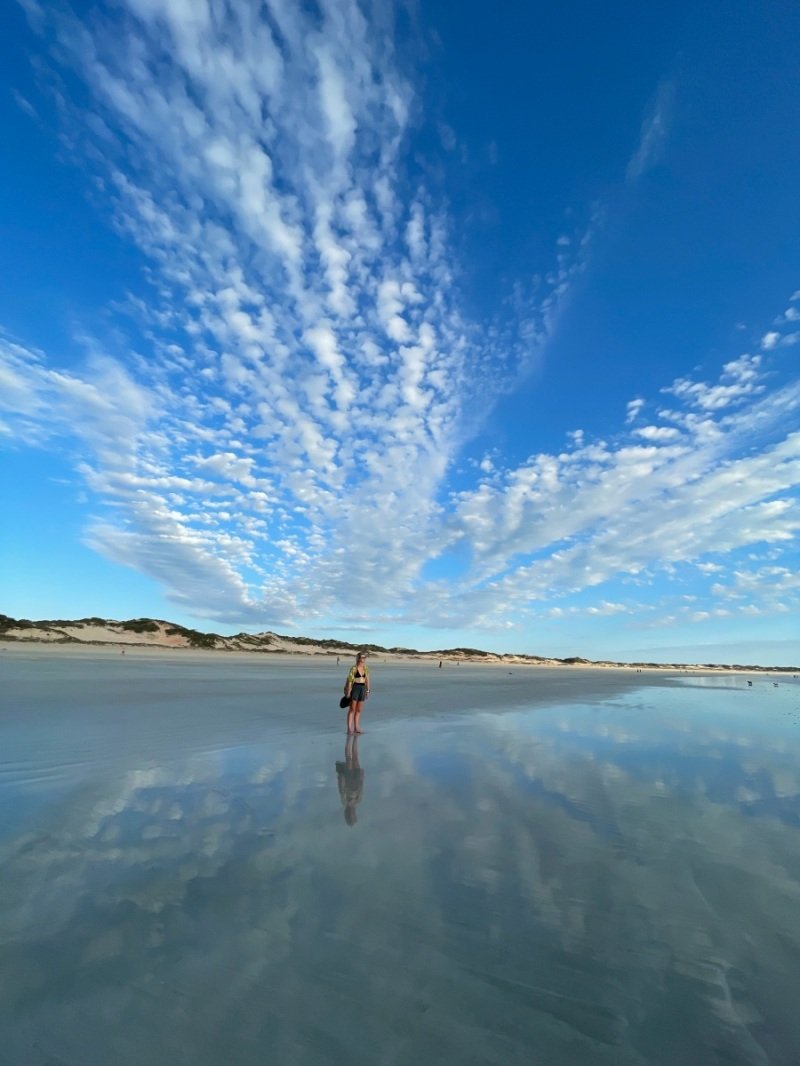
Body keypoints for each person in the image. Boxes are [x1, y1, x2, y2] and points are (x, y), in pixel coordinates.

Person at [335, 734, 365, 826]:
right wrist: (362, 776)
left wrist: (341, 777)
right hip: (355, 780)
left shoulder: (345, 802)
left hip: (349, 780)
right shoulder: (358, 801)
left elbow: (341, 788)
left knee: (349, 758)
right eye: (354, 815)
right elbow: (361, 788)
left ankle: (350, 739)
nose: (353, 814)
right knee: (354, 757)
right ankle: (354, 739)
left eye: (352, 815)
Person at [344, 652, 370, 734]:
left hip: (363, 688)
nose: (364, 659)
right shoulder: (354, 668)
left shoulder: (366, 668)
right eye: (362, 657)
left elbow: (367, 680)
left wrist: (368, 690)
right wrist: (348, 691)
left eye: (365, 657)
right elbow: (350, 681)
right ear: (358, 658)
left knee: (359, 710)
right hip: (355, 688)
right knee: (352, 709)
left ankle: (356, 727)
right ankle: (349, 728)